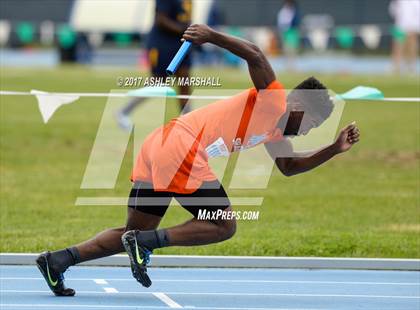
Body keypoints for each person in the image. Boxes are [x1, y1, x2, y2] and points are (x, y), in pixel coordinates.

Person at [36, 24, 360, 296]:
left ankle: (58, 261)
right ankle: (144, 242)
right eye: (311, 125)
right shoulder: (273, 98)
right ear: (299, 106)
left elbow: (289, 168)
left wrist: (333, 148)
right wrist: (211, 36)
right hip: (181, 148)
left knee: (131, 233)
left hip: (159, 145)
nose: (307, 132)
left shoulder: (276, 134)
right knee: (223, 224)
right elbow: (256, 54)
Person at [116, 0, 193, 131]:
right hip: (162, 44)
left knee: (185, 81)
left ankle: (189, 122)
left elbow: (185, 16)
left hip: (181, 43)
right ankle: (123, 112)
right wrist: (182, 29)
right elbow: (161, 20)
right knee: (158, 84)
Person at [389, 0, 420, 74]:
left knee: (412, 45)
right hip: (400, 25)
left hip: (413, 25)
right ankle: (396, 66)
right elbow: (393, 9)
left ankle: (410, 66)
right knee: (398, 45)